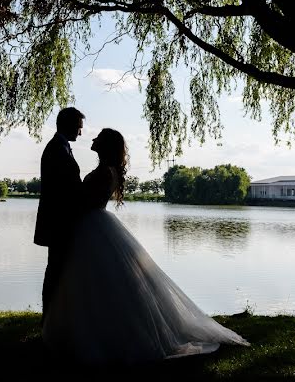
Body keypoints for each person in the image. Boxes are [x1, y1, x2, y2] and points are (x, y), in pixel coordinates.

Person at [42, 128, 249, 365]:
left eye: (98, 137)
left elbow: (85, 201)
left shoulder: (104, 173)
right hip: (95, 226)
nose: (92, 138)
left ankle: (100, 336)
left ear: (106, 145)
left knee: (97, 282)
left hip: (92, 227)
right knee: (100, 284)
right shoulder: (107, 171)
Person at [33, 106, 85, 322]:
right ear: (70, 125)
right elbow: (65, 189)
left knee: (57, 269)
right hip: (58, 223)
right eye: (79, 128)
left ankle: (55, 318)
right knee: (55, 270)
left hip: (60, 222)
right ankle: (50, 319)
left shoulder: (61, 147)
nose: (81, 133)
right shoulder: (57, 149)